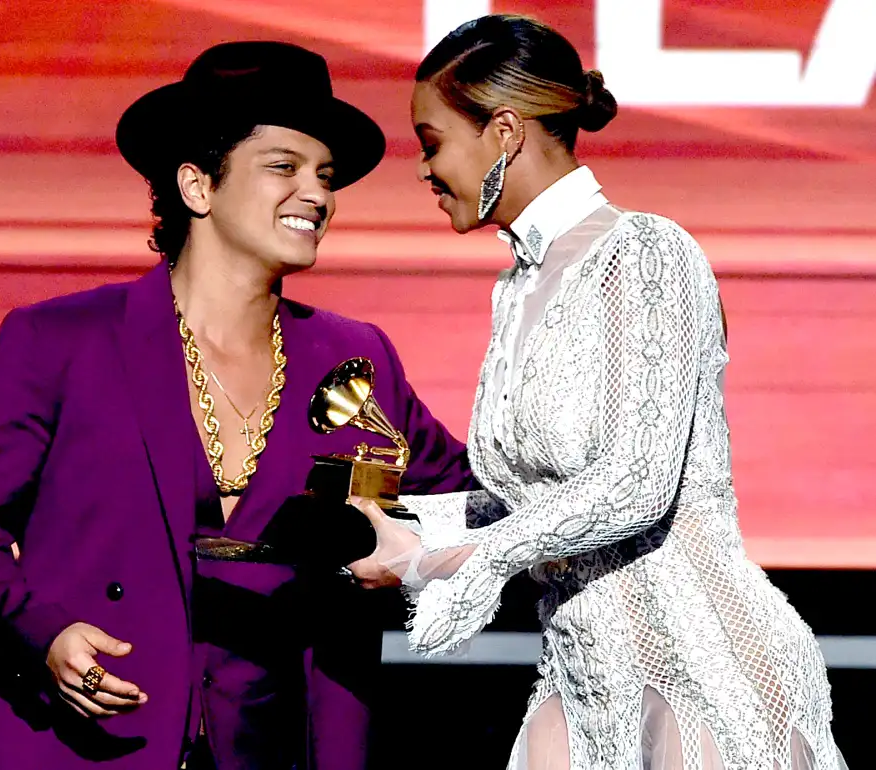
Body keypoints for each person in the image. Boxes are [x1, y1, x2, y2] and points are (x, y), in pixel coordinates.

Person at [0, 41, 474, 770]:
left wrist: (410, 547)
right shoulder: (61, 339)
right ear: (197, 186)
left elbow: (471, 499)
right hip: (81, 742)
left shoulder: (353, 357)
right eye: (284, 167)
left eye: (326, 177)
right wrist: (43, 635)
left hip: (277, 746)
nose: (317, 195)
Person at [349, 14, 847, 770]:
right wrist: (377, 521)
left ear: (505, 131)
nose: (422, 168)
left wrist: (442, 562)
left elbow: (633, 485)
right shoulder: (517, 287)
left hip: (705, 670)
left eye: (432, 142)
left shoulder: (646, 251)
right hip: (582, 679)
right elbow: (529, 501)